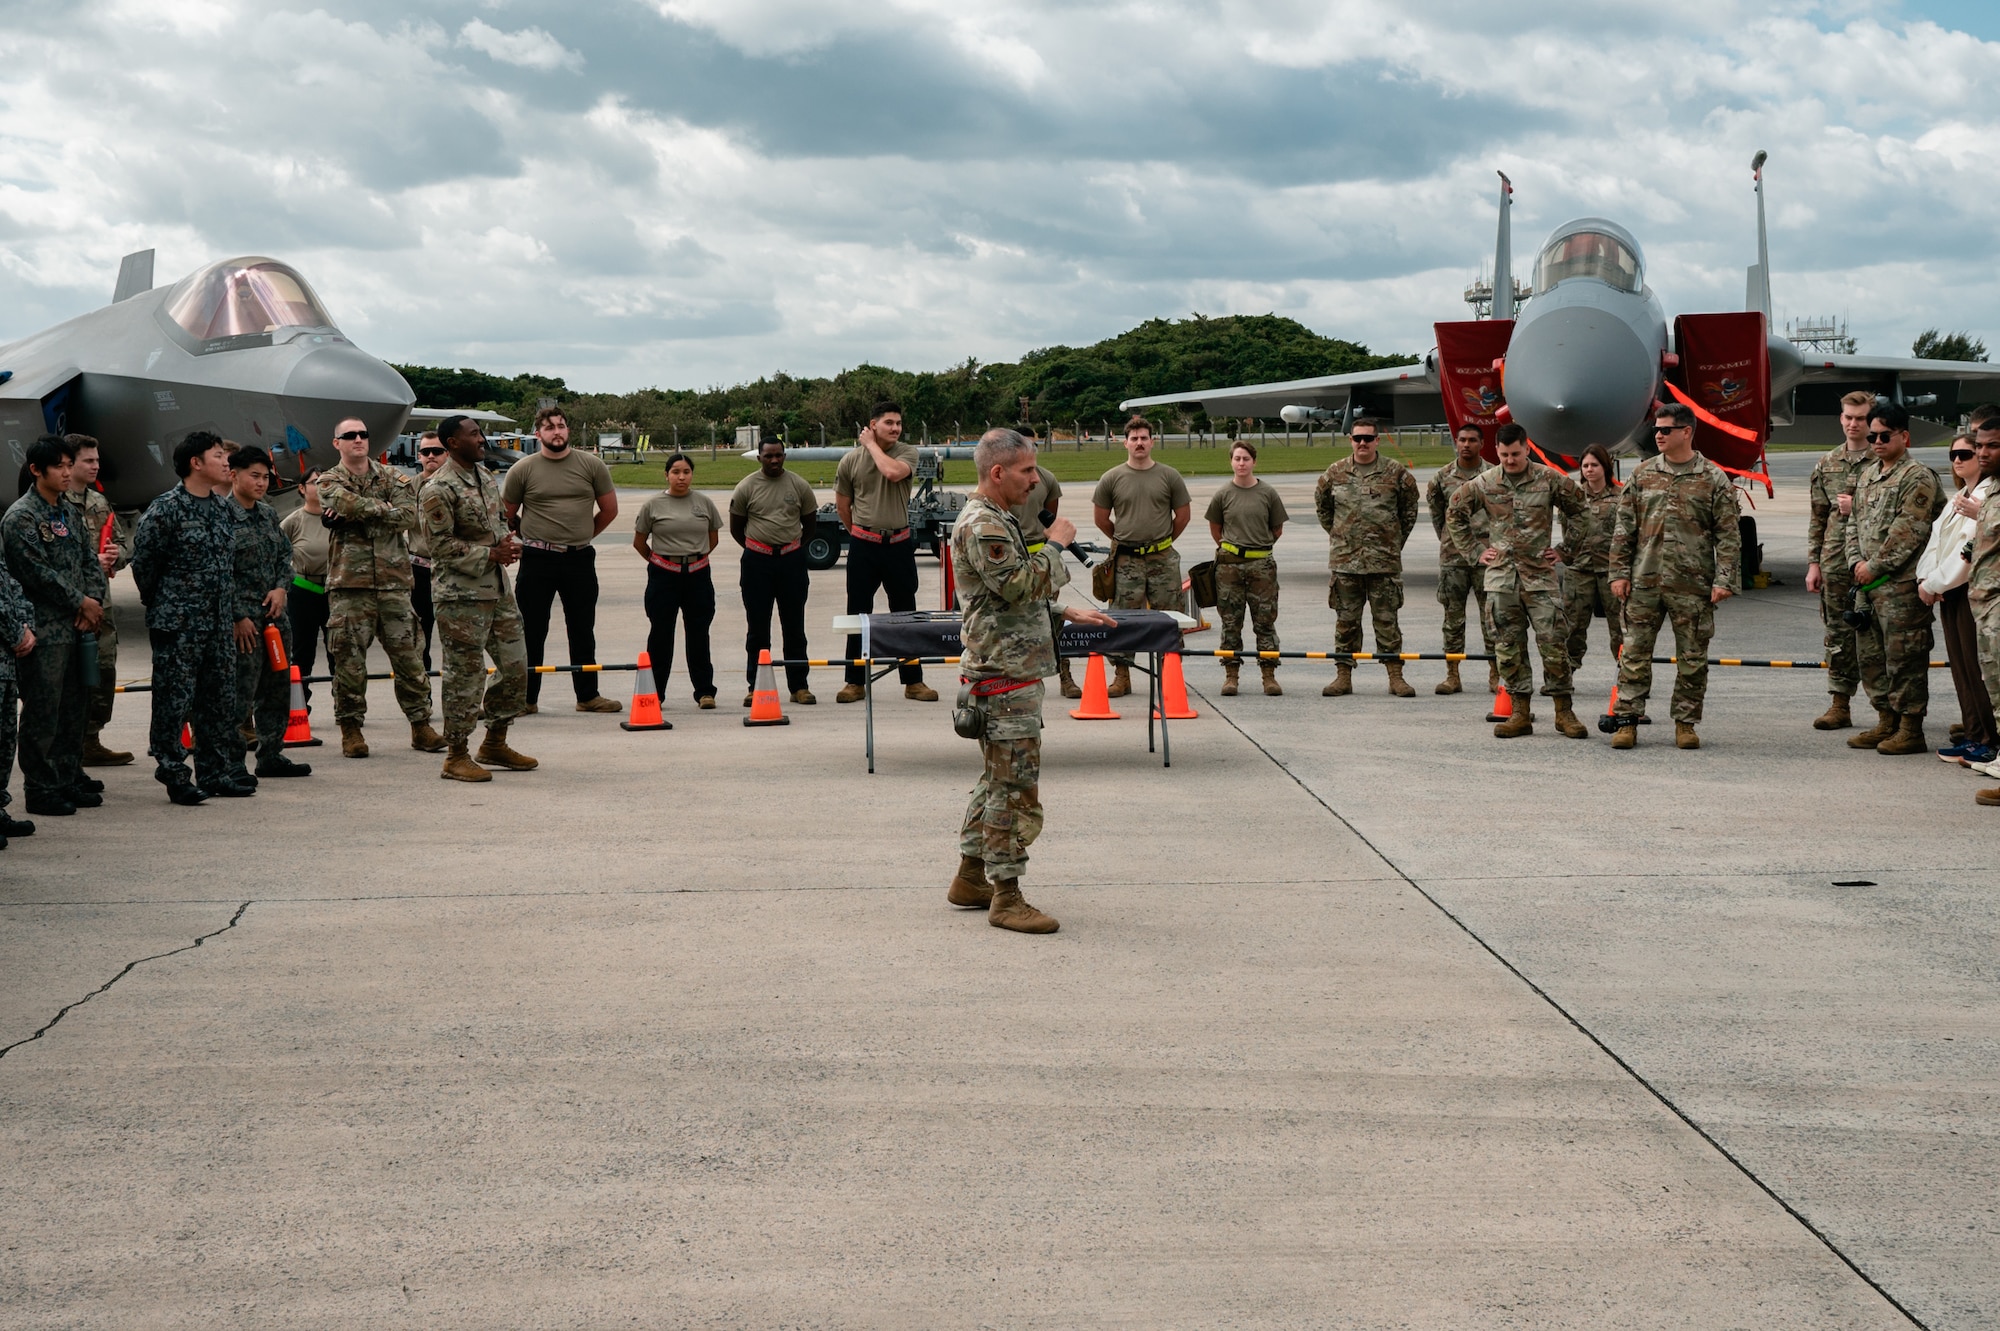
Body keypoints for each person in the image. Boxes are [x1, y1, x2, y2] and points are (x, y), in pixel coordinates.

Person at [947, 428, 1116, 934]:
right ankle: (1007, 896)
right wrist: (1058, 546)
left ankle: (971, 877)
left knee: (996, 780)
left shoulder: (998, 518)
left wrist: (1064, 610)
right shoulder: (984, 523)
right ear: (997, 473)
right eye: (1026, 471)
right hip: (1004, 674)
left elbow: (1004, 596)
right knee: (1014, 790)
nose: (1036, 480)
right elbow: (1019, 584)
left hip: (1009, 667)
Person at [1606, 404, 1742, 750]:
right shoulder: (1643, 474)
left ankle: (1685, 723)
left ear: (1687, 432)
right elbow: (1624, 528)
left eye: (1666, 429)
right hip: (1644, 582)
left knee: (1693, 659)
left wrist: (1724, 579)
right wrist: (1618, 573)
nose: (1659, 435)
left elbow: (1728, 534)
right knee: (1633, 655)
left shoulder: (1712, 478)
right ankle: (1627, 721)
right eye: (1656, 430)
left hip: (1692, 585)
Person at [1446, 422, 1588, 738]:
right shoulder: (1484, 483)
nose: (1510, 460)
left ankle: (1564, 712)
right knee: (1508, 648)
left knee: (1553, 645)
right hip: (1501, 581)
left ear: (1527, 448)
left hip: (1540, 579)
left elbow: (1580, 510)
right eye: (1504, 454)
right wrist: (1474, 551)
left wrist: (1565, 549)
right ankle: (1520, 712)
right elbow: (1454, 512)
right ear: (1496, 451)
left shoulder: (1548, 478)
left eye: (1516, 453)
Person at [317, 415, 443, 757]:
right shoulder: (328, 480)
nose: (358, 439)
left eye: (363, 434)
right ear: (337, 443)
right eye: (350, 435)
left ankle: (421, 725)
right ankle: (351, 730)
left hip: (393, 584)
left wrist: (358, 514)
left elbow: (408, 516)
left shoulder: (391, 476)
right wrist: (381, 509)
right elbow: (340, 501)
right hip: (348, 585)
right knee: (349, 662)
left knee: (410, 659)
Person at [130, 431, 243, 804]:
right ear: (195, 463)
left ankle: (214, 772)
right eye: (217, 455)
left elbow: (230, 567)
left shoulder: (226, 509)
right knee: (173, 703)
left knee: (218, 700)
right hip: (178, 626)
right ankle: (174, 773)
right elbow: (145, 567)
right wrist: (167, 605)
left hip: (218, 625)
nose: (226, 461)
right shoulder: (165, 510)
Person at [421, 415, 536, 781]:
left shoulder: (486, 478)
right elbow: (439, 547)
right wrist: (490, 555)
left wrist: (506, 544)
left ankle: (495, 742)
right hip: (460, 597)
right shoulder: (438, 488)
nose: (482, 439)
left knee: (516, 667)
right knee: (465, 676)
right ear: (453, 442)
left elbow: (497, 525)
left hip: (497, 590)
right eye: (474, 434)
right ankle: (456, 754)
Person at [2, 434, 102, 816]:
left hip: (78, 625)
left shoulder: (68, 511)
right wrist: (80, 601)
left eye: (67, 465)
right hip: (46, 628)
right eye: (58, 466)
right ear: (35, 470)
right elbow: (35, 572)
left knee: (75, 707)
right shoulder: (22, 517)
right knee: (44, 710)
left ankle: (67, 776)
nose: (66, 472)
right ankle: (41, 788)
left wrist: (90, 601)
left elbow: (88, 560)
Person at [503, 406, 620, 714]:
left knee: (582, 628)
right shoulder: (523, 469)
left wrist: (581, 536)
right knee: (531, 629)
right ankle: (526, 699)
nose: (557, 432)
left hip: (579, 559)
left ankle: (588, 696)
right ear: (538, 434)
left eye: (561, 426)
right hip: (537, 559)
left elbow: (609, 510)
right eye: (550, 427)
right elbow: (505, 514)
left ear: (568, 430)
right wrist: (528, 537)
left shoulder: (591, 465)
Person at [1843, 403, 1945, 755]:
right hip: (1867, 586)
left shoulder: (1917, 476)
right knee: (1871, 657)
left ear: (1905, 436)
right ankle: (1885, 720)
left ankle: (1910, 728)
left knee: (1904, 658)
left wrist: (1875, 565)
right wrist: (1856, 560)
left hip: (1899, 586)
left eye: (1885, 435)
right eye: (1872, 436)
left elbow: (1910, 531)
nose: (1876, 441)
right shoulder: (1868, 474)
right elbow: (1852, 522)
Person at [836, 402, 937, 703]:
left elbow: (892, 473)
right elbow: (843, 503)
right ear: (874, 423)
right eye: (889, 423)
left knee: (906, 613)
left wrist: (870, 445)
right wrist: (858, 533)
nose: (895, 428)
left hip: (898, 545)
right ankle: (855, 681)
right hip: (864, 545)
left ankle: (913, 681)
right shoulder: (850, 461)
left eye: (898, 423)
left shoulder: (907, 453)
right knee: (858, 613)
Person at [1314, 417, 1420, 697]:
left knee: (1387, 622)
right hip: (1346, 563)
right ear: (1350, 439)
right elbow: (1324, 510)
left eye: (1368, 438)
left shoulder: (1396, 473)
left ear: (1377, 441)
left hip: (1383, 563)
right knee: (1346, 622)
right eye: (1357, 438)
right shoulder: (1334, 473)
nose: (1363, 443)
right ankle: (1343, 676)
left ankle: (1395, 676)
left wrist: (1393, 542)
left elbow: (1409, 512)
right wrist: (1342, 536)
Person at [1091, 415, 1191, 697]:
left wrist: (1164, 542)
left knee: (1170, 617)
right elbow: (1101, 518)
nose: (1139, 443)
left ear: (1152, 441)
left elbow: (1182, 515)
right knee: (1122, 617)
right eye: (1133, 438)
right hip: (1126, 560)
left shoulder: (1169, 476)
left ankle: (1170, 675)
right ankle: (1122, 675)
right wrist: (1125, 540)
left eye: (1144, 438)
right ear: (1125, 443)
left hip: (1162, 558)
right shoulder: (1112, 477)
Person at [226, 445, 309, 781]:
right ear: (234, 475)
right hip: (243, 621)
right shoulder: (221, 517)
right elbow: (217, 573)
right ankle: (232, 762)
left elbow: (283, 558)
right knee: (239, 693)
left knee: (276, 689)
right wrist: (235, 616)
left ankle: (271, 754)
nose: (261, 483)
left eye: (265, 477)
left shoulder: (267, 514)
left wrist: (280, 587)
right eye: (254, 476)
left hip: (275, 619)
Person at [1919, 432, 1997, 764]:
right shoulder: (1961, 497)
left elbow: (1968, 551)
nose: (1959, 460)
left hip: (1967, 589)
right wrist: (1926, 579)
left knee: (1976, 669)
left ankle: (1985, 738)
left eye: (1966, 453)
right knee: (1962, 668)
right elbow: (1936, 541)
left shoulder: (1985, 498)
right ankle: (1972, 733)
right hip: (1948, 591)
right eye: (1955, 454)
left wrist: (1936, 582)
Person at [1805, 390, 1880, 729]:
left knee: (1878, 633)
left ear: (1871, 420)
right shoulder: (1827, 463)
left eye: (1860, 418)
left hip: (1876, 561)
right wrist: (1814, 563)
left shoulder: (1883, 462)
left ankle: (1887, 709)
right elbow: (1818, 516)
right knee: (1837, 633)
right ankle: (1839, 704)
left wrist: (1859, 506)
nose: (1853, 424)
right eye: (1848, 417)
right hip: (1835, 561)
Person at [728, 436, 818, 706]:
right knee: (757, 629)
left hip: (791, 562)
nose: (774, 460)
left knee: (794, 627)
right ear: (759, 458)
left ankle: (799, 686)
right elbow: (736, 527)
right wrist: (758, 549)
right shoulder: (746, 487)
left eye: (778, 455)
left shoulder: (799, 485)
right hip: (757, 564)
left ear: (784, 456)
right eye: (769, 456)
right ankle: (756, 686)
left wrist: (794, 549)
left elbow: (809, 524)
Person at [632, 452, 723, 710]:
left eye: (686, 472)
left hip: (697, 575)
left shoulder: (704, 503)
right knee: (660, 635)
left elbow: (712, 539)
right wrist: (663, 562)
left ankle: (705, 691)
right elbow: (640, 542)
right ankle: (655, 693)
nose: (681, 477)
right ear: (666, 475)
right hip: (664, 576)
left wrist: (693, 560)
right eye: (675, 472)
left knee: (698, 633)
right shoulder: (653, 505)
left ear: (692, 474)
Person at [66, 434, 134, 766]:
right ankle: (68, 745)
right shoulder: (55, 503)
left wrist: (114, 554)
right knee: (71, 679)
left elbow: (122, 544)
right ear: (69, 463)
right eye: (88, 461)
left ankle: (91, 739)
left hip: (101, 608)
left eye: (96, 460)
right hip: (70, 608)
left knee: (103, 673)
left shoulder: (99, 502)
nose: (95, 466)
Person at [1205, 440, 1287, 696]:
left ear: (1254, 462)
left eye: (1246, 459)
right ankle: (1231, 675)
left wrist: (1257, 550)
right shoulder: (1223, 494)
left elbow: (1277, 529)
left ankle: (1269, 675)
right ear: (1231, 461)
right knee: (1231, 622)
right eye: (1237, 458)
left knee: (1265, 622)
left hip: (1261, 566)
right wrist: (1233, 549)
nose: (1241, 463)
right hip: (1229, 568)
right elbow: (1216, 529)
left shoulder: (1268, 493)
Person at [1006, 426, 1080, 700]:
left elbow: (1049, 519)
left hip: (1040, 559)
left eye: (1033, 445)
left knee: (1051, 620)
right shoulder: (1005, 482)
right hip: (1012, 557)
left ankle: (1064, 674)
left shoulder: (1046, 479)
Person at [1426, 423, 1496, 695]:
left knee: (1491, 618)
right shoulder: (1442, 478)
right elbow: (1438, 516)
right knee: (1452, 619)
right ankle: (1452, 674)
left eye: (1472, 440)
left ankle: (1495, 673)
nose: (1466, 444)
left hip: (1486, 557)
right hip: (1453, 559)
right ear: (1456, 442)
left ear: (1481, 444)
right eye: (1462, 440)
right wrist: (1449, 541)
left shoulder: (1493, 475)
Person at [1959, 419, 2000, 803]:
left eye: (1993, 446)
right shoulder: (1992, 494)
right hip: (1986, 606)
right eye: (1981, 446)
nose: (1984, 453)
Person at [1560, 443, 1625, 680]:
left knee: (1620, 627)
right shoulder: (1573, 498)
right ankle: (1564, 675)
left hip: (1612, 571)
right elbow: (1568, 531)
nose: (1589, 470)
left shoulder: (1621, 497)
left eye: (1594, 465)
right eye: (1585, 465)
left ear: (1605, 466)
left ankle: (1628, 675)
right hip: (1579, 570)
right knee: (1572, 626)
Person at [281, 467, 332, 709]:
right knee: (302, 652)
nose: (321, 486)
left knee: (339, 652)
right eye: (315, 482)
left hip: (334, 591)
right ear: (302, 489)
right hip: (303, 591)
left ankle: (345, 706)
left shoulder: (337, 518)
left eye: (325, 482)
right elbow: (277, 555)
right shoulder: (293, 521)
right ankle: (299, 705)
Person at [0, 558, 33, 845]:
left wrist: (26, 626)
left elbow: (15, 590)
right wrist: (16, 634)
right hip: (6, 650)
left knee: (5, 741)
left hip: (6, 665)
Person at [408, 430, 447, 671]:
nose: (430, 456)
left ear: (448, 453)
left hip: (452, 570)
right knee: (419, 639)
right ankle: (423, 702)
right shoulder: (408, 487)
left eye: (437, 451)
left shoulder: (459, 484)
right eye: (425, 452)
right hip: (420, 571)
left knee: (459, 638)